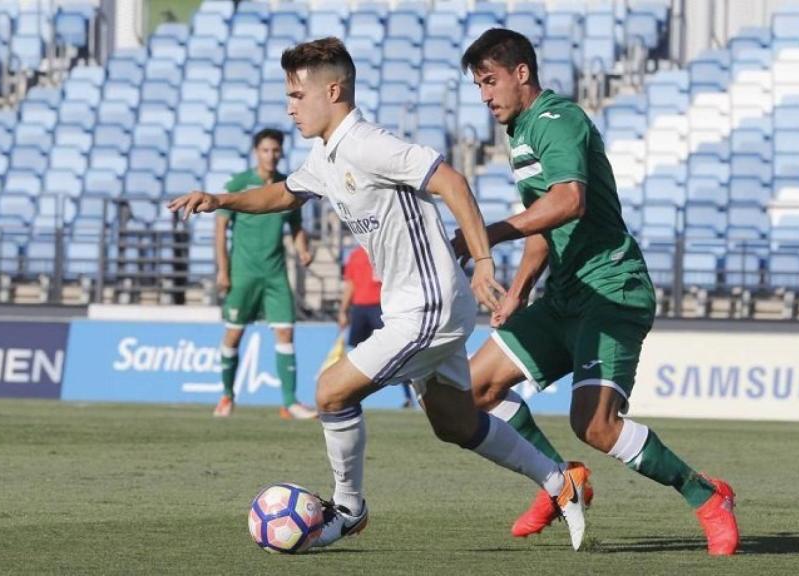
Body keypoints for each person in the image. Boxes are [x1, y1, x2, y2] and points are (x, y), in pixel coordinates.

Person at [169, 37, 592, 551]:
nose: (290, 107)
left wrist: (483, 262)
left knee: (331, 391)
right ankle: (559, 481)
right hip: (413, 305)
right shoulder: (325, 154)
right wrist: (221, 199)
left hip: (431, 303)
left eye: (297, 95)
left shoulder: (368, 144)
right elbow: (284, 193)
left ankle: (349, 509)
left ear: (333, 90)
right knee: (455, 424)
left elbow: (453, 182)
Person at [454, 28, 740, 556]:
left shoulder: (557, 120)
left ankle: (706, 495)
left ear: (522, 73)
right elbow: (545, 222)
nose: (485, 95)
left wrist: (483, 235)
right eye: (478, 86)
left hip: (611, 289)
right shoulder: (520, 131)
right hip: (565, 294)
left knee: (595, 425)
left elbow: (569, 201)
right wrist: (519, 290)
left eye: (490, 81)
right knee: (471, 389)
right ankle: (561, 479)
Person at [212, 128, 317, 420]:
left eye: (275, 151)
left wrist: (302, 249)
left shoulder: (288, 185)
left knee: (285, 331)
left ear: (281, 153)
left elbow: (296, 226)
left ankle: (290, 402)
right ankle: (227, 395)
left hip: (275, 274)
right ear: (256, 152)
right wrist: (223, 270)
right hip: (243, 274)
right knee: (234, 335)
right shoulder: (239, 184)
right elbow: (220, 229)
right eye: (265, 150)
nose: (270, 156)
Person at [338, 245, 413, 409]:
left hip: (381, 307)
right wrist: (344, 310)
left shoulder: (381, 251)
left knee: (396, 351)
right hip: (359, 308)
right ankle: (350, 396)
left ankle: (408, 396)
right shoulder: (355, 255)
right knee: (355, 355)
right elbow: (350, 284)